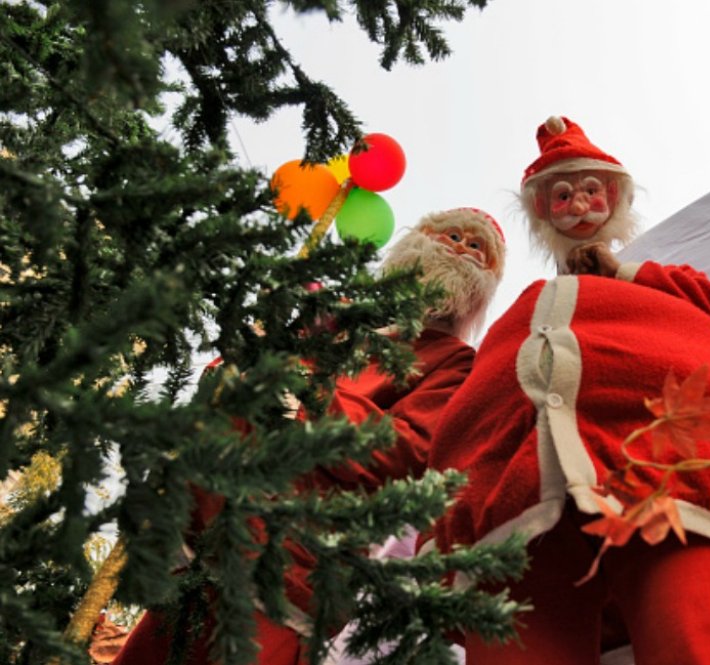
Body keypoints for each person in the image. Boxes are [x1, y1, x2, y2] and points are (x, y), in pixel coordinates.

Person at [421, 117, 710, 665]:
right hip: (513, 494)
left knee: (707, 638)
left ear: (614, 198)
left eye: (592, 190)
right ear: (543, 212)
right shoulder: (528, 305)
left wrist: (629, 274)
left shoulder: (661, 278)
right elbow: (470, 410)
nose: (578, 204)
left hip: (675, 470)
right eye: (562, 194)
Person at [111, 207, 506, 665]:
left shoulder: (456, 363)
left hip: (295, 565)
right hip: (207, 524)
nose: (460, 247)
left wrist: (302, 395)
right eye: (452, 234)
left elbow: (404, 450)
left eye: (477, 247)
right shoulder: (344, 325)